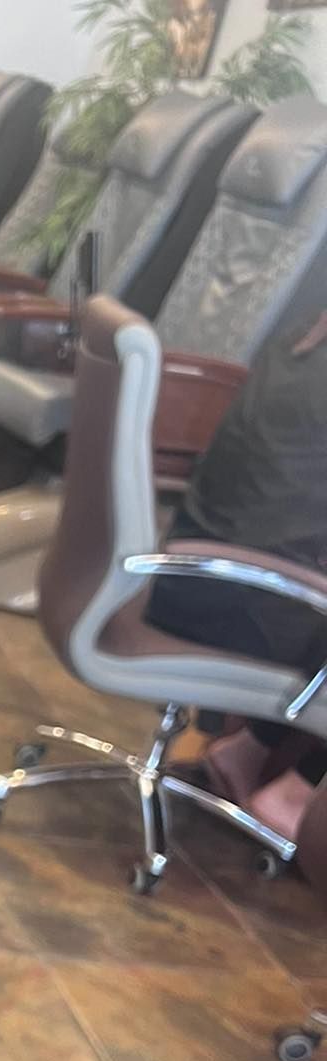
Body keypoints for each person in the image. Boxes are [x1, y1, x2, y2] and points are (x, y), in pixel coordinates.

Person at [146, 308, 327, 842]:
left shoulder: (300, 339)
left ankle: (250, 750)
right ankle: (297, 791)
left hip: (186, 576)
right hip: (245, 599)